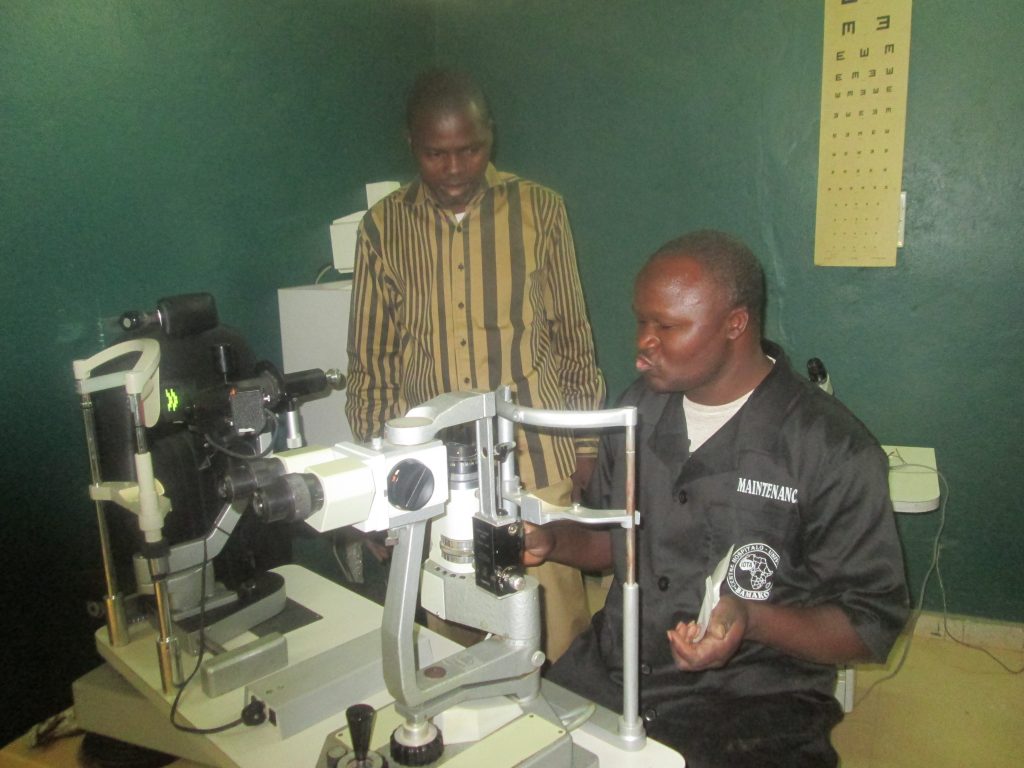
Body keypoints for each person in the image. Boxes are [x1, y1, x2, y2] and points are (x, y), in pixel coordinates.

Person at [525, 230, 909, 766]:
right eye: (642, 321)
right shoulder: (634, 412)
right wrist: (548, 539)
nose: (643, 344)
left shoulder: (831, 450)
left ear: (735, 324)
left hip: (752, 700)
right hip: (617, 669)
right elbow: (613, 543)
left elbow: (869, 625)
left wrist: (751, 618)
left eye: (668, 326)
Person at [345, 68, 606, 660]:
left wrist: (587, 447)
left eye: (471, 149)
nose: (457, 168)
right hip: (435, 469)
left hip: (536, 459)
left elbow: (571, 336)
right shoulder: (382, 228)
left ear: (492, 137)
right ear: (412, 145)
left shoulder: (540, 210)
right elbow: (373, 362)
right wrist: (380, 481)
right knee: (454, 637)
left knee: (555, 633)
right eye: (438, 154)